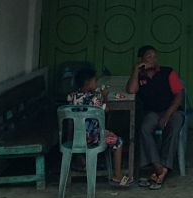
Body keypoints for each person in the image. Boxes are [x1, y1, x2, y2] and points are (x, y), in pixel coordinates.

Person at [126, 45, 184, 189]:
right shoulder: (139, 76)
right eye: (149, 56)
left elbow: (179, 96)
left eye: (154, 56)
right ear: (141, 59)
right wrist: (136, 70)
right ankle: (156, 166)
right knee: (145, 128)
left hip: (172, 110)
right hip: (152, 112)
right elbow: (131, 90)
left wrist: (167, 116)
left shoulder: (168, 72)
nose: (153, 59)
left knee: (174, 125)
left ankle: (164, 166)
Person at [66, 66, 133, 187]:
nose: (96, 83)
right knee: (118, 142)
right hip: (93, 138)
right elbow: (106, 110)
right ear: (88, 83)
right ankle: (117, 176)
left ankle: (80, 158)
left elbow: (81, 100)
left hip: (77, 137)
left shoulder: (71, 96)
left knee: (107, 132)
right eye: (94, 81)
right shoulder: (95, 99)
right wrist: (105, 96)